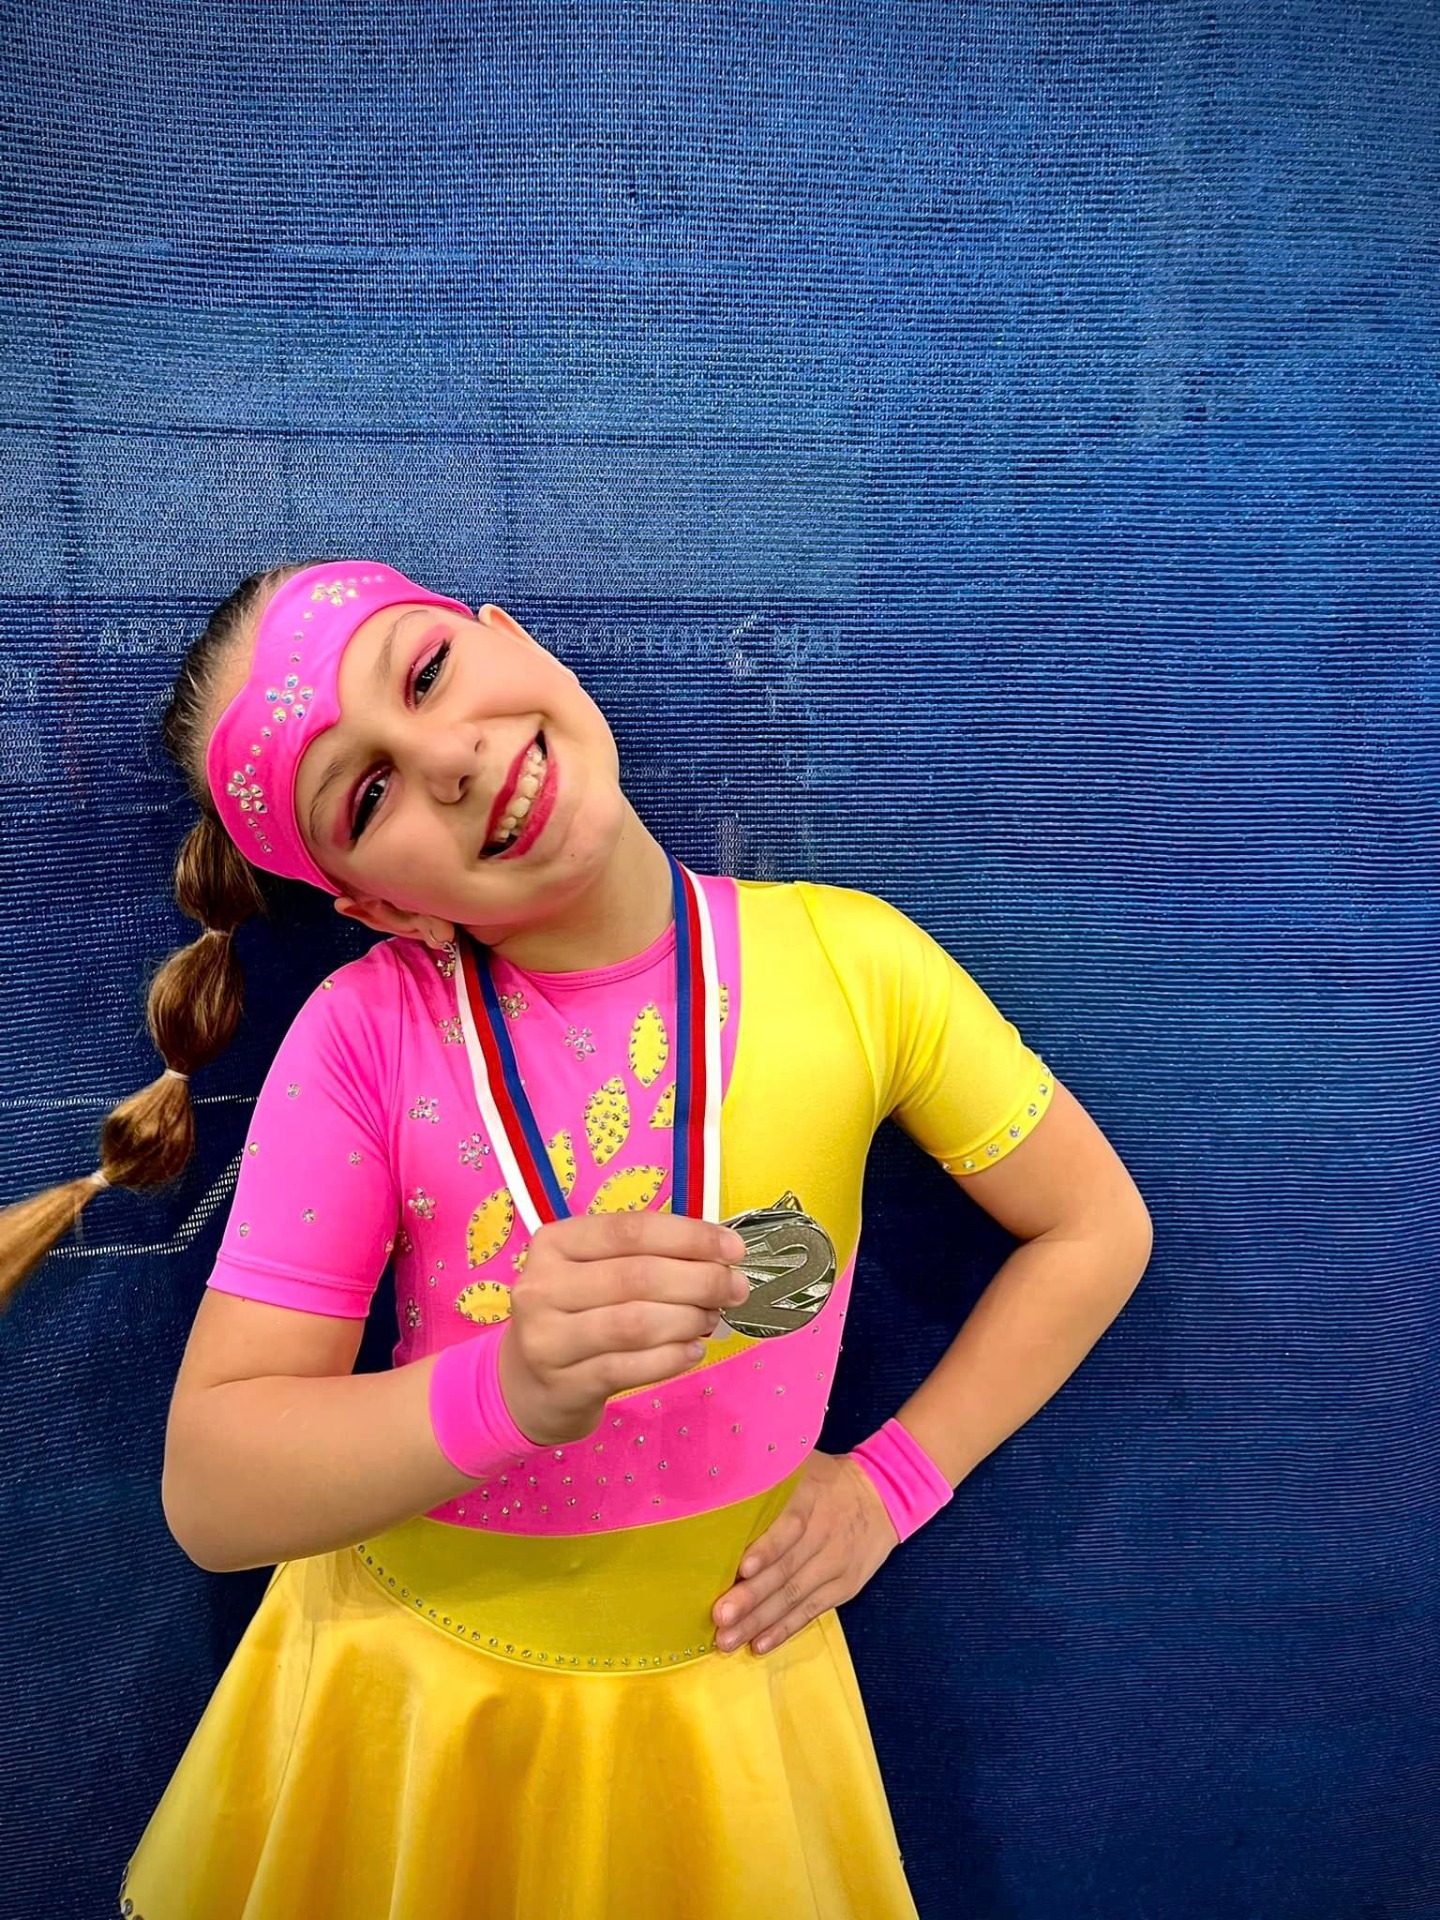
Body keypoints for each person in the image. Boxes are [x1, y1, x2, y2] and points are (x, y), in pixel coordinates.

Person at [0, 559, 1106, 1919]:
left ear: (513, 636)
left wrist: (892, 1484)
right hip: (415, 1718)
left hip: (723, 1713)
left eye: (426, 672)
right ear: (375, 905)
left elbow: (1090, 1227)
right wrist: (509, 1391)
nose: (448, 758)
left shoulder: (857, 966)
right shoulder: (366, 1038)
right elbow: (214, 1494)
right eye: (367, 794)